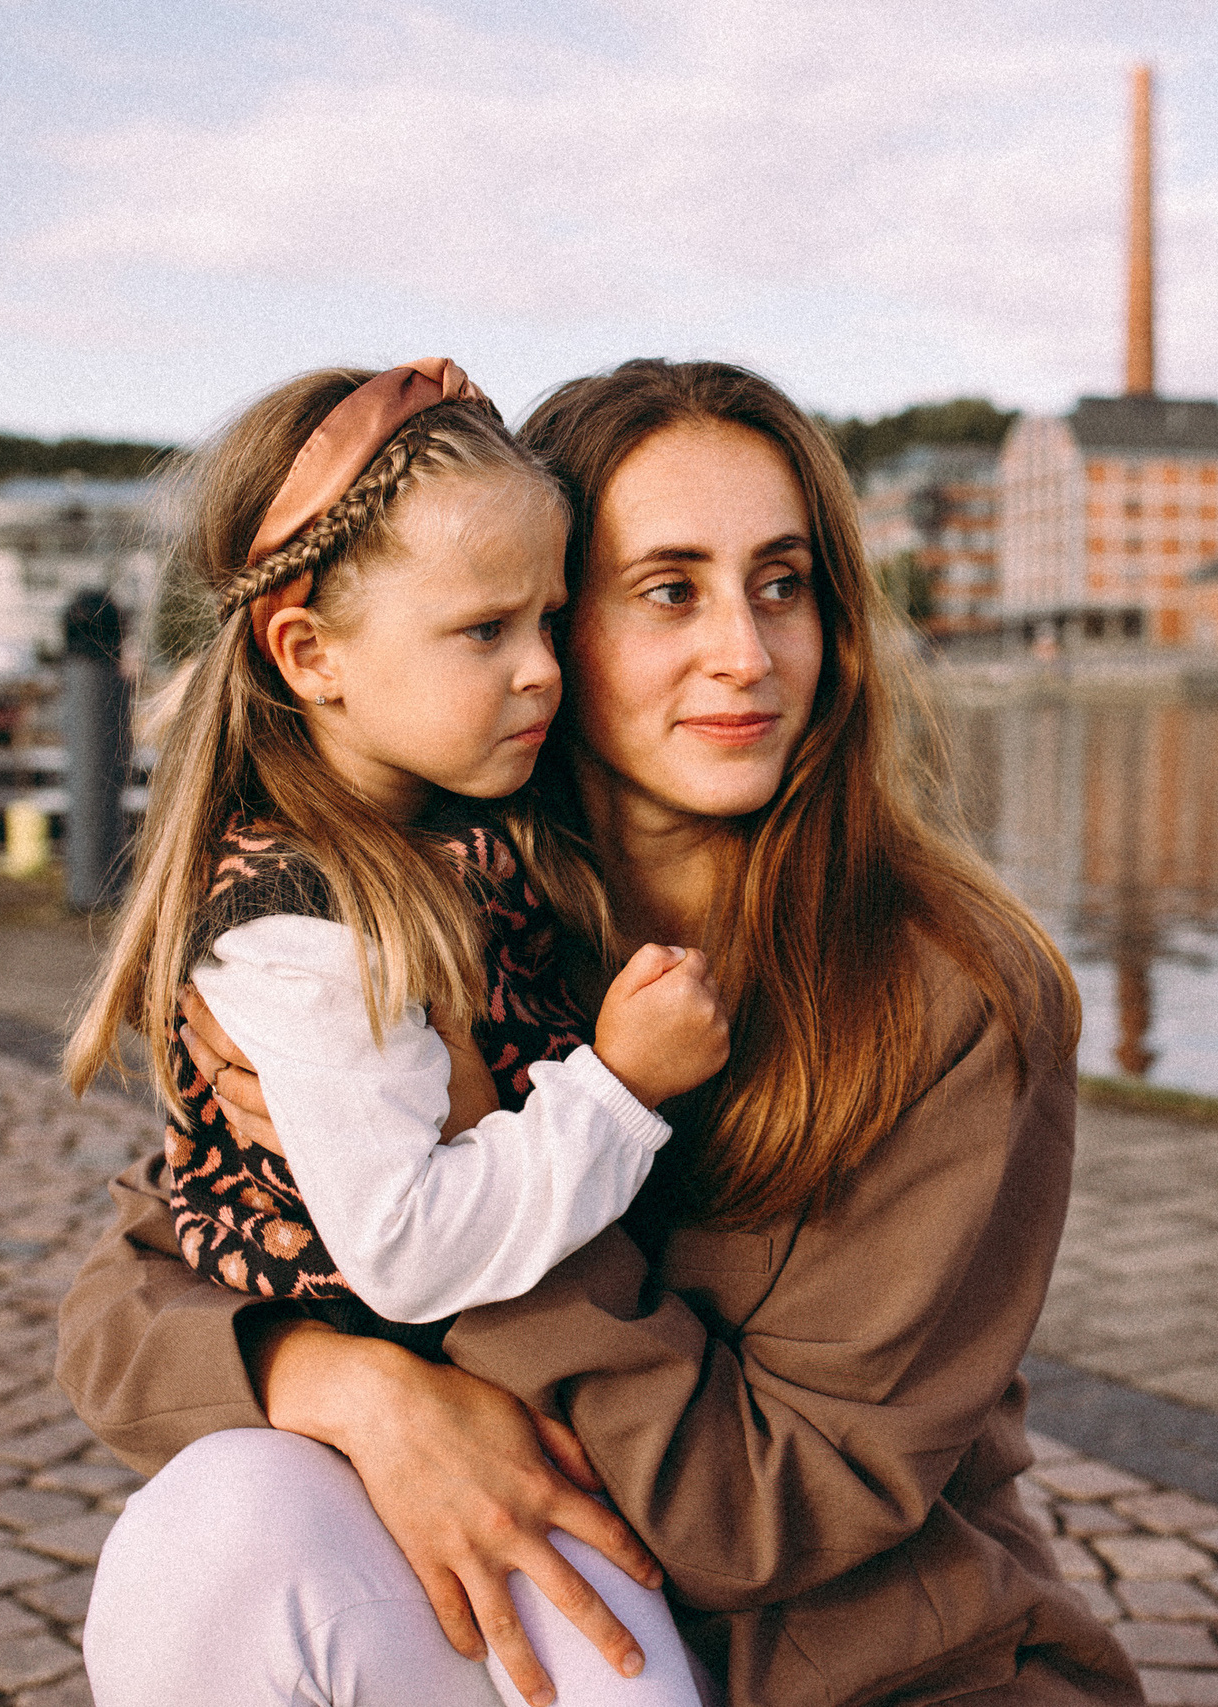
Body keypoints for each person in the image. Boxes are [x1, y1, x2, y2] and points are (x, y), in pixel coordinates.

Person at [59, 359, 1145, 1707]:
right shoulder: (432, 909)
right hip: (550, 1630)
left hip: (873, 1676)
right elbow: (130, 1297)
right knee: (219, 1525)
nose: (746, 652)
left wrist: (482, 1167)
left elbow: (768, 1515)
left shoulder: (951, 995)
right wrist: (353, 1389)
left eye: (784, 583)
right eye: (669, 590)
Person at [62, 360, 726, 1705]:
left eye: (550, 618)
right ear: (310, 655)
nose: (542, 670)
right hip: (417, 1430)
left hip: (533, 1429)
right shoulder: (304, 931)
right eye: (485, 631)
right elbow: (409, 1247)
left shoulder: (457, 839)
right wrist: (621, 1087)